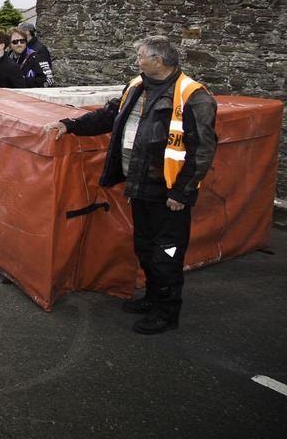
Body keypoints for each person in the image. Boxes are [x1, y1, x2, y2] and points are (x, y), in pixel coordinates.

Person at [43, 36, 218, 335]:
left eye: (140, 56)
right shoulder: (137, 86)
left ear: (159, 61)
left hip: (169, 193)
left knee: (167, 254)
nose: (136, 61)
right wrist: (69, 125)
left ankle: (166, 311)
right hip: (140, 186)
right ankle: (152, 298)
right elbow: (109, 116)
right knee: (145, 248)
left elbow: (203, 149)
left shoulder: (194, 96)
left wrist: (181, 192)